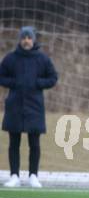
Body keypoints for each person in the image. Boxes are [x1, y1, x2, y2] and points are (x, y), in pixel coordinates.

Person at [0, 26, 58, 188]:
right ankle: (14, 176)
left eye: (29, 38)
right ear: (20, 40)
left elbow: (53, 77)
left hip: (35, 107)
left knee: (34, 143)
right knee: (14, 143)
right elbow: (1, 76)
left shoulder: (42, 59)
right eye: (24, 38)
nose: (26, 41)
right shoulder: (11, 58)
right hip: (15, 106)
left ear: (33, 40)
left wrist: (38, 83)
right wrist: (14, 83)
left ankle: (33, 175)